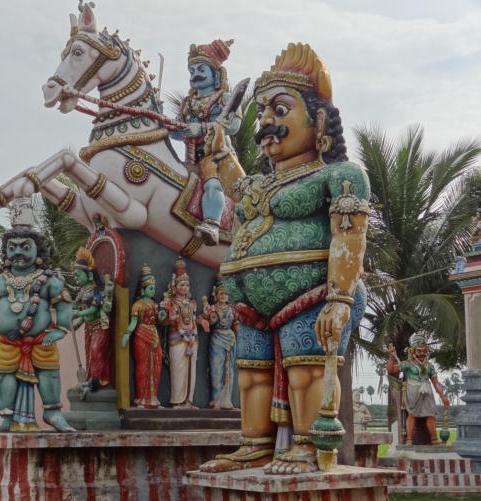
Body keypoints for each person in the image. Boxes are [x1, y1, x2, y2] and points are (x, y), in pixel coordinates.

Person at [201, 43, 370, 474]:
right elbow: (236, 186)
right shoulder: (261, 185)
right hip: (252, 305)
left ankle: (308, 446)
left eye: (279, 110)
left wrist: (339, 299)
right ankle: (255, 445)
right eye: (261, 113)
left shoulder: (338, 176)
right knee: (251, 373)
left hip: (311, 296)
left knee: (304, 371)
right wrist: (221, 152)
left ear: (319, 121)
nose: (265, 123)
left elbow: (349, 236)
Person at [0, 226, 75, 433]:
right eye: (12, 248)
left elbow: (64, 304)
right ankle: (3, 416)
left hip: (41, 339)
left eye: (25, 247)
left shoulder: (47, 280)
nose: (18, 252)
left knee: (49, 374)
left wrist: (61, 329)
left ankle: (52, 412)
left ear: (38, 251)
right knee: (1, 377)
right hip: (7, 341)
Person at [170, 39, 242, 246]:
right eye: (192, 71)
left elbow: (233, 125)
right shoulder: (188, 103)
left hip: (217, 156)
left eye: (201, 70)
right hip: (190, 158)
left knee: (211, 183)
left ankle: (212, 225)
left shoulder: (225, 99)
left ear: (216, 74)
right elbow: (180, 133)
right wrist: (169, 127)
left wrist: (200, 129)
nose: (195, 75)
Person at [387, 334, 450, 445]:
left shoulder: (429, 366)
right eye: (419, 351)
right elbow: (391, 370)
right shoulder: (408, 364)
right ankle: (409, 440)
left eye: (424, 351)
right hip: (413, 391)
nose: (422, 353)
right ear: (413, 351)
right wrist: (391, 358)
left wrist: (442, 395)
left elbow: (435, 382)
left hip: (427, 392)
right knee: (412, 415)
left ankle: (434, 440)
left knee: (430, 415)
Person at [159, 256, 203, 408]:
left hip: (192, 340)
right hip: (177, 340)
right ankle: (177, 401)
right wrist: (170, 317)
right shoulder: (171, 302)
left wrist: (201, 322)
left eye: (187, 285)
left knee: (191, 371)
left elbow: (193, 320)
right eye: (182, 284)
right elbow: (163, 322)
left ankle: (189, 401)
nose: (185, 287)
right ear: (175, 286)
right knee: (178, 371)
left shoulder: (191, 303)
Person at [72, 247, 114, 388]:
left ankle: (98, 380)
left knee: (96, 352)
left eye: (78, 275)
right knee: (89, 354)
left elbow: (93, 309)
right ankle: (91, 379)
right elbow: (84, 312)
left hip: (99, 326)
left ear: (89, 275)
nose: (76, 278)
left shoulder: (97, 290)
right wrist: (78, 324)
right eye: (75, 275)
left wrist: (77, 314)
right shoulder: (81, 293)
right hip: (88, 327)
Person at [122, 263, 162, 408]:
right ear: (143, 289)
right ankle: (141, 397)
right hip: (141, 335)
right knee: (143, 366)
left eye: (154, 288)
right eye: (150, 288)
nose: (153, 291)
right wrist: (127, 334)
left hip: (154, 335)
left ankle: (153, 397)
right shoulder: (138, 305)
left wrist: (163, 315)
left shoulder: (156, 304)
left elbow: (160, 321)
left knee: (156, 366)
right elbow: (133, 322)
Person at [201, 279, 238, 410]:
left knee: (229, 371)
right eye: (221, 294)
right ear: (216, 296)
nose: (223, 296)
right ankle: (216, 400)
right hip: (217, 339)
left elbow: (236, 325)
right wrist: (208, 315)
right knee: (217, 370)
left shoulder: (232, 309)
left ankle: (227, 400)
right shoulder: (213, 308)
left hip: (230, 340)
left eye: (225, 294)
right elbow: (211, 322)